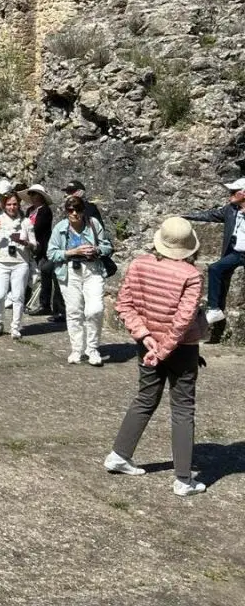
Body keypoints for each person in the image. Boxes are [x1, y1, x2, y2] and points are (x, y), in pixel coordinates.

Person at [106, 217, 208, 497]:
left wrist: (146, 338)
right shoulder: (191, 275)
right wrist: (162, 349)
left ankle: (119, 454)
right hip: (181, 348)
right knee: (183, 408)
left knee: (145, 397)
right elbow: (183, 321)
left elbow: (124, 304)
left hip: (147, 344)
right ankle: (184, 479)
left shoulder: (139, 264)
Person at [48, 195, 113, 365]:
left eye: (78, 210)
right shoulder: (60, 229)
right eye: (70, 210)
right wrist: (73, 252)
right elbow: (51, 253)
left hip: (93, 270)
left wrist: (96, 250)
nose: (74, 213)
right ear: (66, 211)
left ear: (83, 211)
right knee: (74, 311)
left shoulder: (93, 224)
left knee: (95, 310)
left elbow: (107, 246)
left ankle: (92, 348)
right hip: (69, 272)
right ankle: (77, 349)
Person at [182, 177, 245, 325]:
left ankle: (214, 308)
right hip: (236, 253)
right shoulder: (231, 210)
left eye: (233, 191)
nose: (230, 193)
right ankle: (214, 308)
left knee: (215, 268)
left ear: (243, 193)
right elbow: (211, 215)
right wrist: (186, 216)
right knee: (216, 268)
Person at [0, 192, 35, 339]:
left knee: (18, 296)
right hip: (1, 263)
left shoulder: (26, 222)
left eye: (15, 204)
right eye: (9, 204)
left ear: (19, 205)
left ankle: (16, 327)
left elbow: (35, 245)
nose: (12, 207)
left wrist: (24, 242)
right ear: (4, 205)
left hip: (20, 263)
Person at [21, 185, 61, 317]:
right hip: (29, 245)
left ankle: (44, 304)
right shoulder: (30, 210)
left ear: (40, 196)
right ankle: (25, 300)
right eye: (30, 194)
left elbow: (37, 228)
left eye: (33, 194)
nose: (31, 196)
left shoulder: (45, 211)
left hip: (41, 247)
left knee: (42, 272)